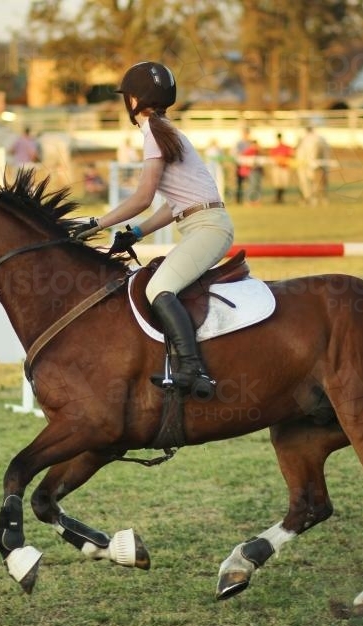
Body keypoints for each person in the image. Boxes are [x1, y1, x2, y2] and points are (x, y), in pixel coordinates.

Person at [72, 61, 234, 398]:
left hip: (208, 228)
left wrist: (96, 223)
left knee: (158, 289)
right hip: (202, 223)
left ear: (133, 101)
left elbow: (143, 197)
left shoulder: (154, 134)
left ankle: (193, 371)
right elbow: (174, 203)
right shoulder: (163, 130)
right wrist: (137, 233)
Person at [268, 133, 294, 203]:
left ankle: (281, 198)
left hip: (284, 167)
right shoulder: (274, 148)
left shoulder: (286, 147)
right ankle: (277, 198)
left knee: (283, 183)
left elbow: (291, 155)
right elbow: (272, 158)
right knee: (277, 183)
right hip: (277, 167)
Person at [233, 128, 252, 204]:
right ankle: (238, 199)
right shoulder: (239, 143)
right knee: (239, 183)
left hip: (248, 166)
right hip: (240, 165)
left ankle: (247, 199)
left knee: (248, 183)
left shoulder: (250, 143)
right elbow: (236, 153)